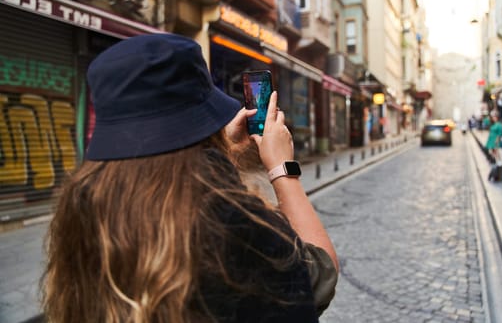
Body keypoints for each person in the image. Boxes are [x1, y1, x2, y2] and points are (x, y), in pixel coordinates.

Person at [41, 34, 338, 323]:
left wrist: (228, 158)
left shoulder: (84, 204)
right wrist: (283, 169)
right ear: (200, 117)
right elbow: (320, 276)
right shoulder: (230, 222)